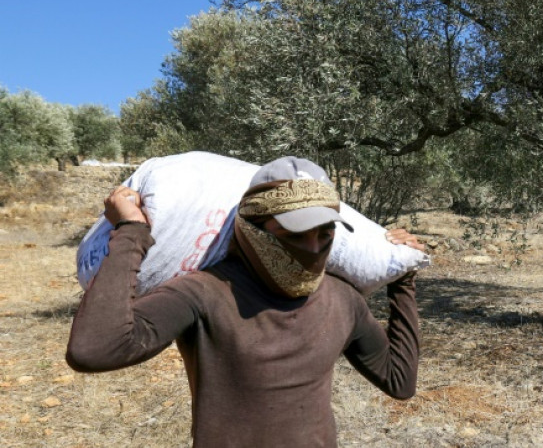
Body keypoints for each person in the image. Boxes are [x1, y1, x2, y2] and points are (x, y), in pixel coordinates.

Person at [66, 156, 423, 447]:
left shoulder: (342, 300)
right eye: (295, 234)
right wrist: (132, 232)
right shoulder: (204, 293)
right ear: (252, 227)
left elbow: (399, 381)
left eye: (325, 234)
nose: (314, 249)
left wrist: (403, 278)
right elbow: (93, 350)